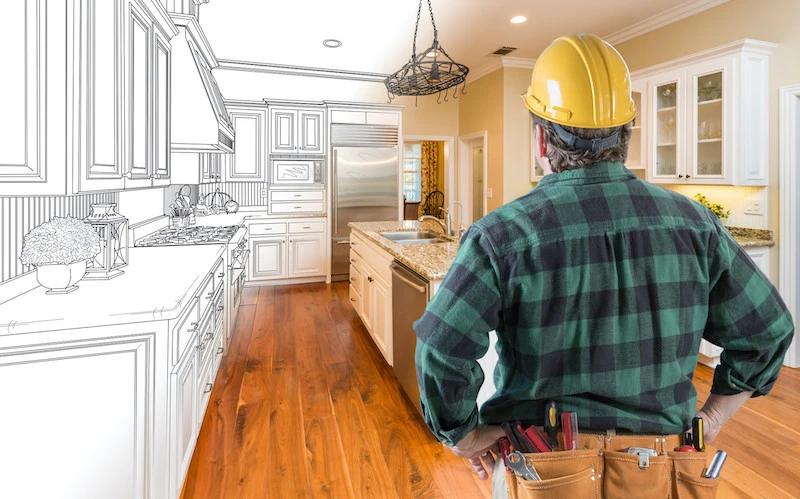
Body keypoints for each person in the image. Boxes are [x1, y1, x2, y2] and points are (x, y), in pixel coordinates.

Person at [413, 33, 794, 495]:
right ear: (626, 135)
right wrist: (712, 417)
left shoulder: (501, 235)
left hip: (541, 466)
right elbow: (768, 331)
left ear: (539, 138)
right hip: (659, 468)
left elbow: (442, 349)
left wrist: (464, 435)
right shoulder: (694, 224)